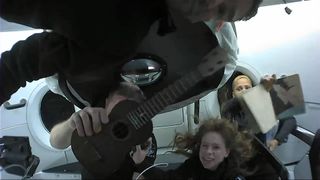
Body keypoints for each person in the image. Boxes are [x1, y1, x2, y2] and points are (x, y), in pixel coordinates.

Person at [0, 0, 263, 109]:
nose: (211, 3)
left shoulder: (121, 32)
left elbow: (24, 63)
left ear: (217, 24)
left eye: (221, 11)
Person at [49, 82, 157, 179]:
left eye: (125, 112)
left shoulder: (145, 138)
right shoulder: (93, 120)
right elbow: (55, 142)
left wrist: (139, 163)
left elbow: (144, 174)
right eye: (116, 110)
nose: (119, 119)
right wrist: (71, 124)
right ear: (106, 103)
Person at [128, 118, 255, 180]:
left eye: (216, 147)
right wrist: (141, 163)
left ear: (226, 152)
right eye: (205, 145)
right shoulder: (194, 165)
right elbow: (169, 179)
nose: (208, 151)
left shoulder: (233, 176)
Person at [221, 74, 297, 151]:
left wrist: (276, 141)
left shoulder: (262, 107)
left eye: (247, 88)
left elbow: (290, 120)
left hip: (260, 151)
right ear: (233, 94)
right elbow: (227, 108)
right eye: (239, 89)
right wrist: (258, 90)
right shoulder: (229, 111)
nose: (244, 91)